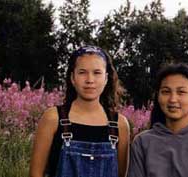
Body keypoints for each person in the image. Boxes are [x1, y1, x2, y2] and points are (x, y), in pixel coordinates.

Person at [30, 45, 130, 177]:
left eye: (97, 73)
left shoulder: (120, 125)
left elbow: (121, 174)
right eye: (82, 72)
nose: (90, 80)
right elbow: (35, 174)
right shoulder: (53, 118)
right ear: (72, 78)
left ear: (106, 78)